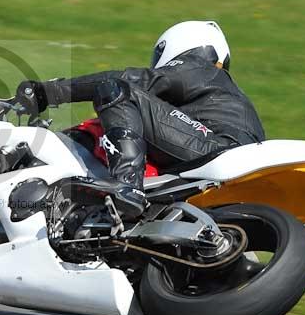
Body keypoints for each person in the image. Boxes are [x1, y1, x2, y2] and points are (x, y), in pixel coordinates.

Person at [16, 20, 265, 219]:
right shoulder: (225, 96)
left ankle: (128, 184)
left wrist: (47, 92)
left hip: (213, 148)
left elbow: (134, 80)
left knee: (115, 88)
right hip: (227, 163)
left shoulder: (199, 67)